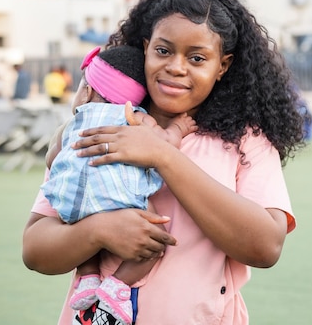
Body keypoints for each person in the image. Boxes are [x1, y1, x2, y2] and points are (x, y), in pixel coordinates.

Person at [22, 0, 306, 325]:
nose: (176, 66)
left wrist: (163, 155)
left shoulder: (247, 141)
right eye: (163, 50)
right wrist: (97, 231)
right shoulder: (98, 129)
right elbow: (35, 251)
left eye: (198, 58)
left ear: (223, 66)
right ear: (145, 48)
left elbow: (265, 247)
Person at [41, 45, 197, 325]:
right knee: (155, 237)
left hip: (71, 200)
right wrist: (179, 129)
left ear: (87, 90)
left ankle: (88, 278)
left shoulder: (74, 121)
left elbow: (52, 159)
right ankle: (117, 287)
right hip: (117, 195)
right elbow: (165, 144)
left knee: (75, 224)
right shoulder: (136, 118)